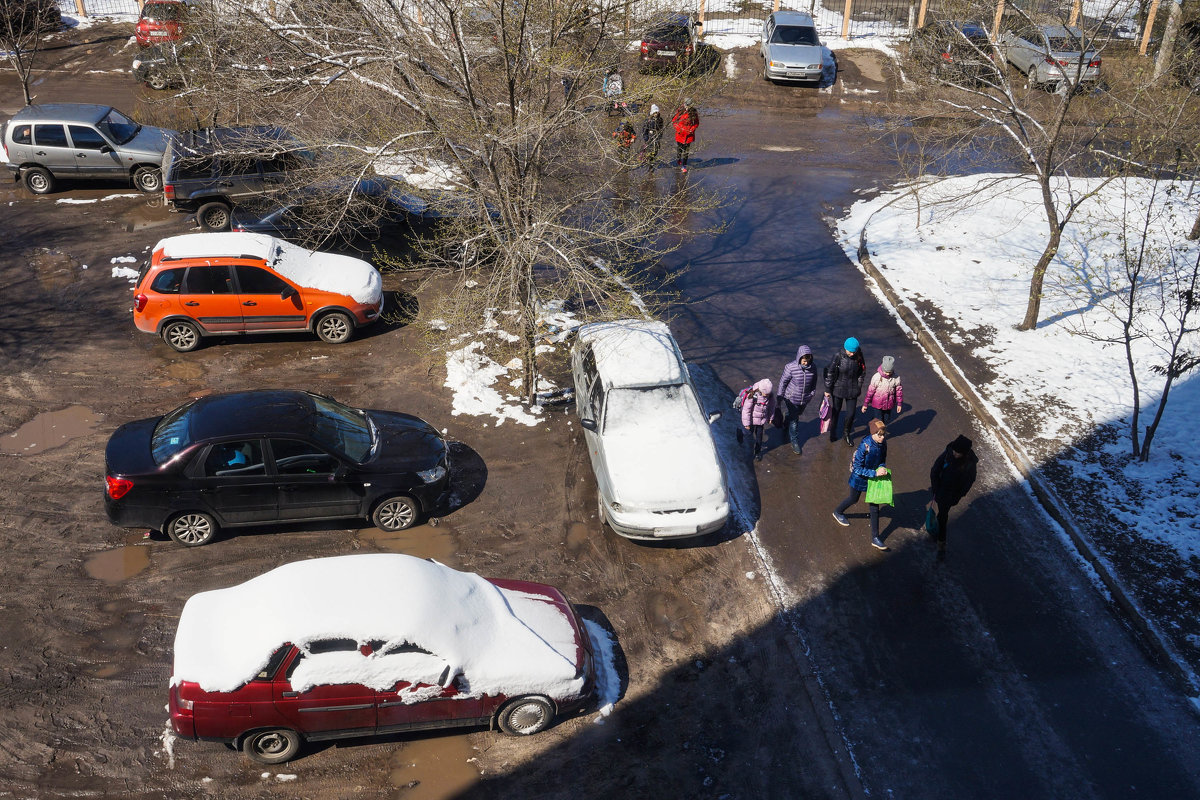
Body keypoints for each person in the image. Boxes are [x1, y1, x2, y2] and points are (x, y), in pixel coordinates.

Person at [832, 418, 890, 551]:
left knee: (875, 506)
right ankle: (838, 511)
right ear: (872, 433)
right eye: (879, 435)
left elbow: (882, 459)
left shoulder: (883, 443)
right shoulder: (865, 445)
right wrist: (875, 473)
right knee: (853, 499)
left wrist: (882, 468)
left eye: (883, 435)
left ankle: (875, 538)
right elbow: (857, 468)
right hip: (859, 478)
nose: (881, 437)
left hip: (873, 478)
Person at [928, 434, 978, 555]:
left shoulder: (970, 464)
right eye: (955, 451)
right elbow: (935, 470)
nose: (955, 453)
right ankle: (940, 539)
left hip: (951, 495)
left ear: (965, 453)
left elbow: (970, 481)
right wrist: (936, 488)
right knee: (942, 515)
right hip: (941, 489)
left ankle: (941, 540)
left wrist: (959, 496)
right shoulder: (948, 453)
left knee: (943, 515)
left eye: (958, 452)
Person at [823, 337, 867, 446]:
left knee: (851, 414)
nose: (852, 354)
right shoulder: (838, 356)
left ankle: (846, 434)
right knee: (836, 412)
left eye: (854, 351)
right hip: (838, 388)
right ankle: (833, 432)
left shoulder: (859, 356)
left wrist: (859, 386)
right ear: (845, 348)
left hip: (852, 389)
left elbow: (862, 372)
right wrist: (828, 389)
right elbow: (830, 372)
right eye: (850, 351)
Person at [777, 344, 817, 454]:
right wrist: (779, 397)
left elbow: (814, 383)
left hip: (804, 399)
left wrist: (811, 394)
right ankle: (794, 441)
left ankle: (787, 419)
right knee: (795, 420)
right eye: (804, 361)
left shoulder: (813, 368)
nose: (806, 363)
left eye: (808, 361)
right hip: (791, 398)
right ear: (799, 358)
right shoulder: (790, 367)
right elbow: (783, 382)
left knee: (796, 414)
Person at [739, 378, 776, 461]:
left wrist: (770, 418)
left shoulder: (770, 396)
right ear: (760, 390)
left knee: (759, 436)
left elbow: (771, 408)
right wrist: (746, 424)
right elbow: (746, 410)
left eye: (768, 394)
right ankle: (740, 432)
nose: (766, 395)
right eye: (765, 394)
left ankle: (757, 452)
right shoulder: (753, 396)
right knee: (748, 433)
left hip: (761, 421)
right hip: (751, 420)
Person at [862, 355, 904, 426]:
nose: (888, 374)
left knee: (886, 419)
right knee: (879, 421)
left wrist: (899, 403)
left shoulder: (896, 378)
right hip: (877, 404)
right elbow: (870, 392)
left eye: (890, 372)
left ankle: (877, 424)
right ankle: (878, 433)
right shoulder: (876, 377)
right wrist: (866, 403)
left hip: (889, 404)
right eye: (886, 372)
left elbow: (899, 392)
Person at [671, 100, 699, 173]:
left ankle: (684, 166)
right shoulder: (680, 112)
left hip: (689, 134)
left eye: (689, 105)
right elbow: (674, 121)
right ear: (684, 104)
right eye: (686, 105)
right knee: (680, 149)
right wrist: (678, 129)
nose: (687, 107)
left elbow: (696, 123)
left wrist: (692, 129)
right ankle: (678, 158)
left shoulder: (693, 112)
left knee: (686, 151)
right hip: (680, 133)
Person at [640, 104, 664, 170]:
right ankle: (650, 166)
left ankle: (651, 162)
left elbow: (661, 129)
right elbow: (644, 131)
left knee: (655, 151)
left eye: (657, 112)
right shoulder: (648, 120)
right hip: (650, 139)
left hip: (656, 137)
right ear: (652, 113)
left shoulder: (660, 119)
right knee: (650, 152)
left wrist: (659, 136)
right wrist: (646, 139)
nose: (656, 114)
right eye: (655, 112)